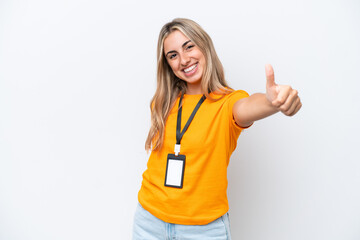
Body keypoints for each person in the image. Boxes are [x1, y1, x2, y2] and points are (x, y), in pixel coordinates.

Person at [132, 18, 302, 240]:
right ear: (168, 64)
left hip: (203, 230)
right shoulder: (163, 102)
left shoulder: (228, 102)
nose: (183, 60)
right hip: (149, 221)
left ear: (204, 46)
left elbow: (248, 106)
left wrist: (273, 102)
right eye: (173, 55)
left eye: (189, 46)